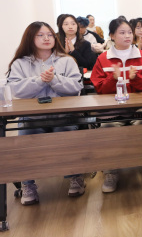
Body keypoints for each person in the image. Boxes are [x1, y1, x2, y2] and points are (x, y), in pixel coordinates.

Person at [6, 21, 84, 204]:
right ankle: (28, 184)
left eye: (49, 35)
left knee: (66, 137)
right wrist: (40, 80)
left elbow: (76, 87)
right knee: (25, 143)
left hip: (63, 116)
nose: (46, 38)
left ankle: (75, 177)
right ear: (30, 38)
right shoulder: (20, 63)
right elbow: (16, 90)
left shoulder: (66, 60)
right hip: (32, 117)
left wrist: (54, 79)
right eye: (40, 35)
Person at [91, 18, 142, 192]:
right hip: (113, 107)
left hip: (139, 106)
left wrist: (137, 78)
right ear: (112, 35)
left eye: (129, 32)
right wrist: (113, 79)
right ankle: (111, 171)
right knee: (108, 128)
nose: (127, 36)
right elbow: (99, 89)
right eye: (122, 32)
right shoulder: (103, 59)